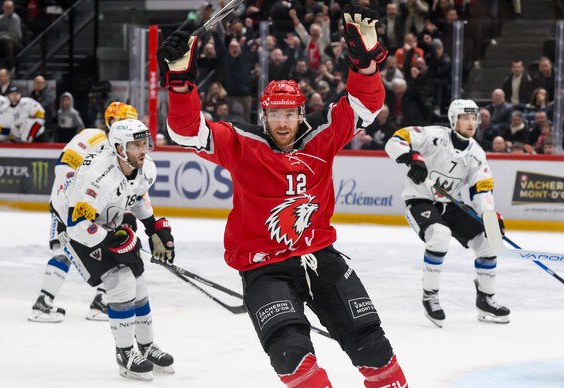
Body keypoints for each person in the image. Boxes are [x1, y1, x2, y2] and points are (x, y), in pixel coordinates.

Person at [157, 5, 407, 387]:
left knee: (373, 347)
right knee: (290, 355)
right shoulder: (243, 144)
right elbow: (186, 130)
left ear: (301, 113)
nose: (283, 122)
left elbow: (366, 104)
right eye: (276, 115)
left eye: (290, 114)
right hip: (264, 266)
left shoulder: (320, 137)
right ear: (264, 116)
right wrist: (180, 79)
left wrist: (365, 60)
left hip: (320, 257)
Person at [49, 118, 175, 380]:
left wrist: (153, 227)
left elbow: (136, 195)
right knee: (121, 281)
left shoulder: (145, 166)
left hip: (105, 216)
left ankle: (147, 346)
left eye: (145, 143)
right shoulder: (97, 177)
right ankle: (125, 353)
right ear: (119, 148)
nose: (144, 150)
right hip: (74, 226)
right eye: (136, 145)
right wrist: (111, 240)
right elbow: (77, 226)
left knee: (139, 283)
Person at [385, 99, 510, 328]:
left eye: (474, 118)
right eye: (466, 118)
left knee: (487, 242)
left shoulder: (477, 154)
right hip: (420, 200)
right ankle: (430, 296)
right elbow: (395, 140)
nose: (471, 123)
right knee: (440, 235)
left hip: (450, 204)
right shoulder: (434, 136)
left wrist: (490, 217)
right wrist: (411, 158)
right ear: (454, 120)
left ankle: (486, 299)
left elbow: (482, 190)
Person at [29, 102, 139, 324]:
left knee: (108, 253)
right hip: (67, 208)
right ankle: (43, 302)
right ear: (110, 122)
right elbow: (64, 169)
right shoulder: (93, 136)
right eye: (124, 121)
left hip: (98, 213)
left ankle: (101, 301)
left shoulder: (119, 152)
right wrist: (73, 206)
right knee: (62, 251)